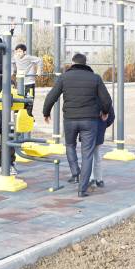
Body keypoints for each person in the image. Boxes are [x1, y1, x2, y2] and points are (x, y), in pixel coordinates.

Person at [42, 53, 112, 197]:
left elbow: (51, 96)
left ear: (72, 63)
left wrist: (46, 112)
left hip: (70, 119)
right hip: (89, 121)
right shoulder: (95, 78)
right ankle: (82, 189)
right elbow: (106, 99)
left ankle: (75, 172)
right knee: (87, 154)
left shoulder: (64, 77)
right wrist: (105, 112)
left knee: (70, 145)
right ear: (86, 63)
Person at [90, 101, 115, 189]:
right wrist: (103, 125)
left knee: (90, 156)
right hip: (96, 129)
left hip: (90, 130)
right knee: (96, 156)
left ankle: (93, 178)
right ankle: (97, 179)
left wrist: (103, 125)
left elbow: (111, 116)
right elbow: (111, 117)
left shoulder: (88, 96)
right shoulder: (104, 98)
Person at [12, 44, 42, 115]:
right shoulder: (15, 57)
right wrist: (14, 70)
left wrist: (39, 70)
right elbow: (12, 62)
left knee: (29, 100)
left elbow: (39, 60)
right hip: (20, 82)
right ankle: (17, 116)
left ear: (24, 52)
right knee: (18, 99)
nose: (18, 53)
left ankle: (28, 116)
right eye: (17, 51)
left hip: (29, 82)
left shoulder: (28, 57)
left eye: (20, 51)